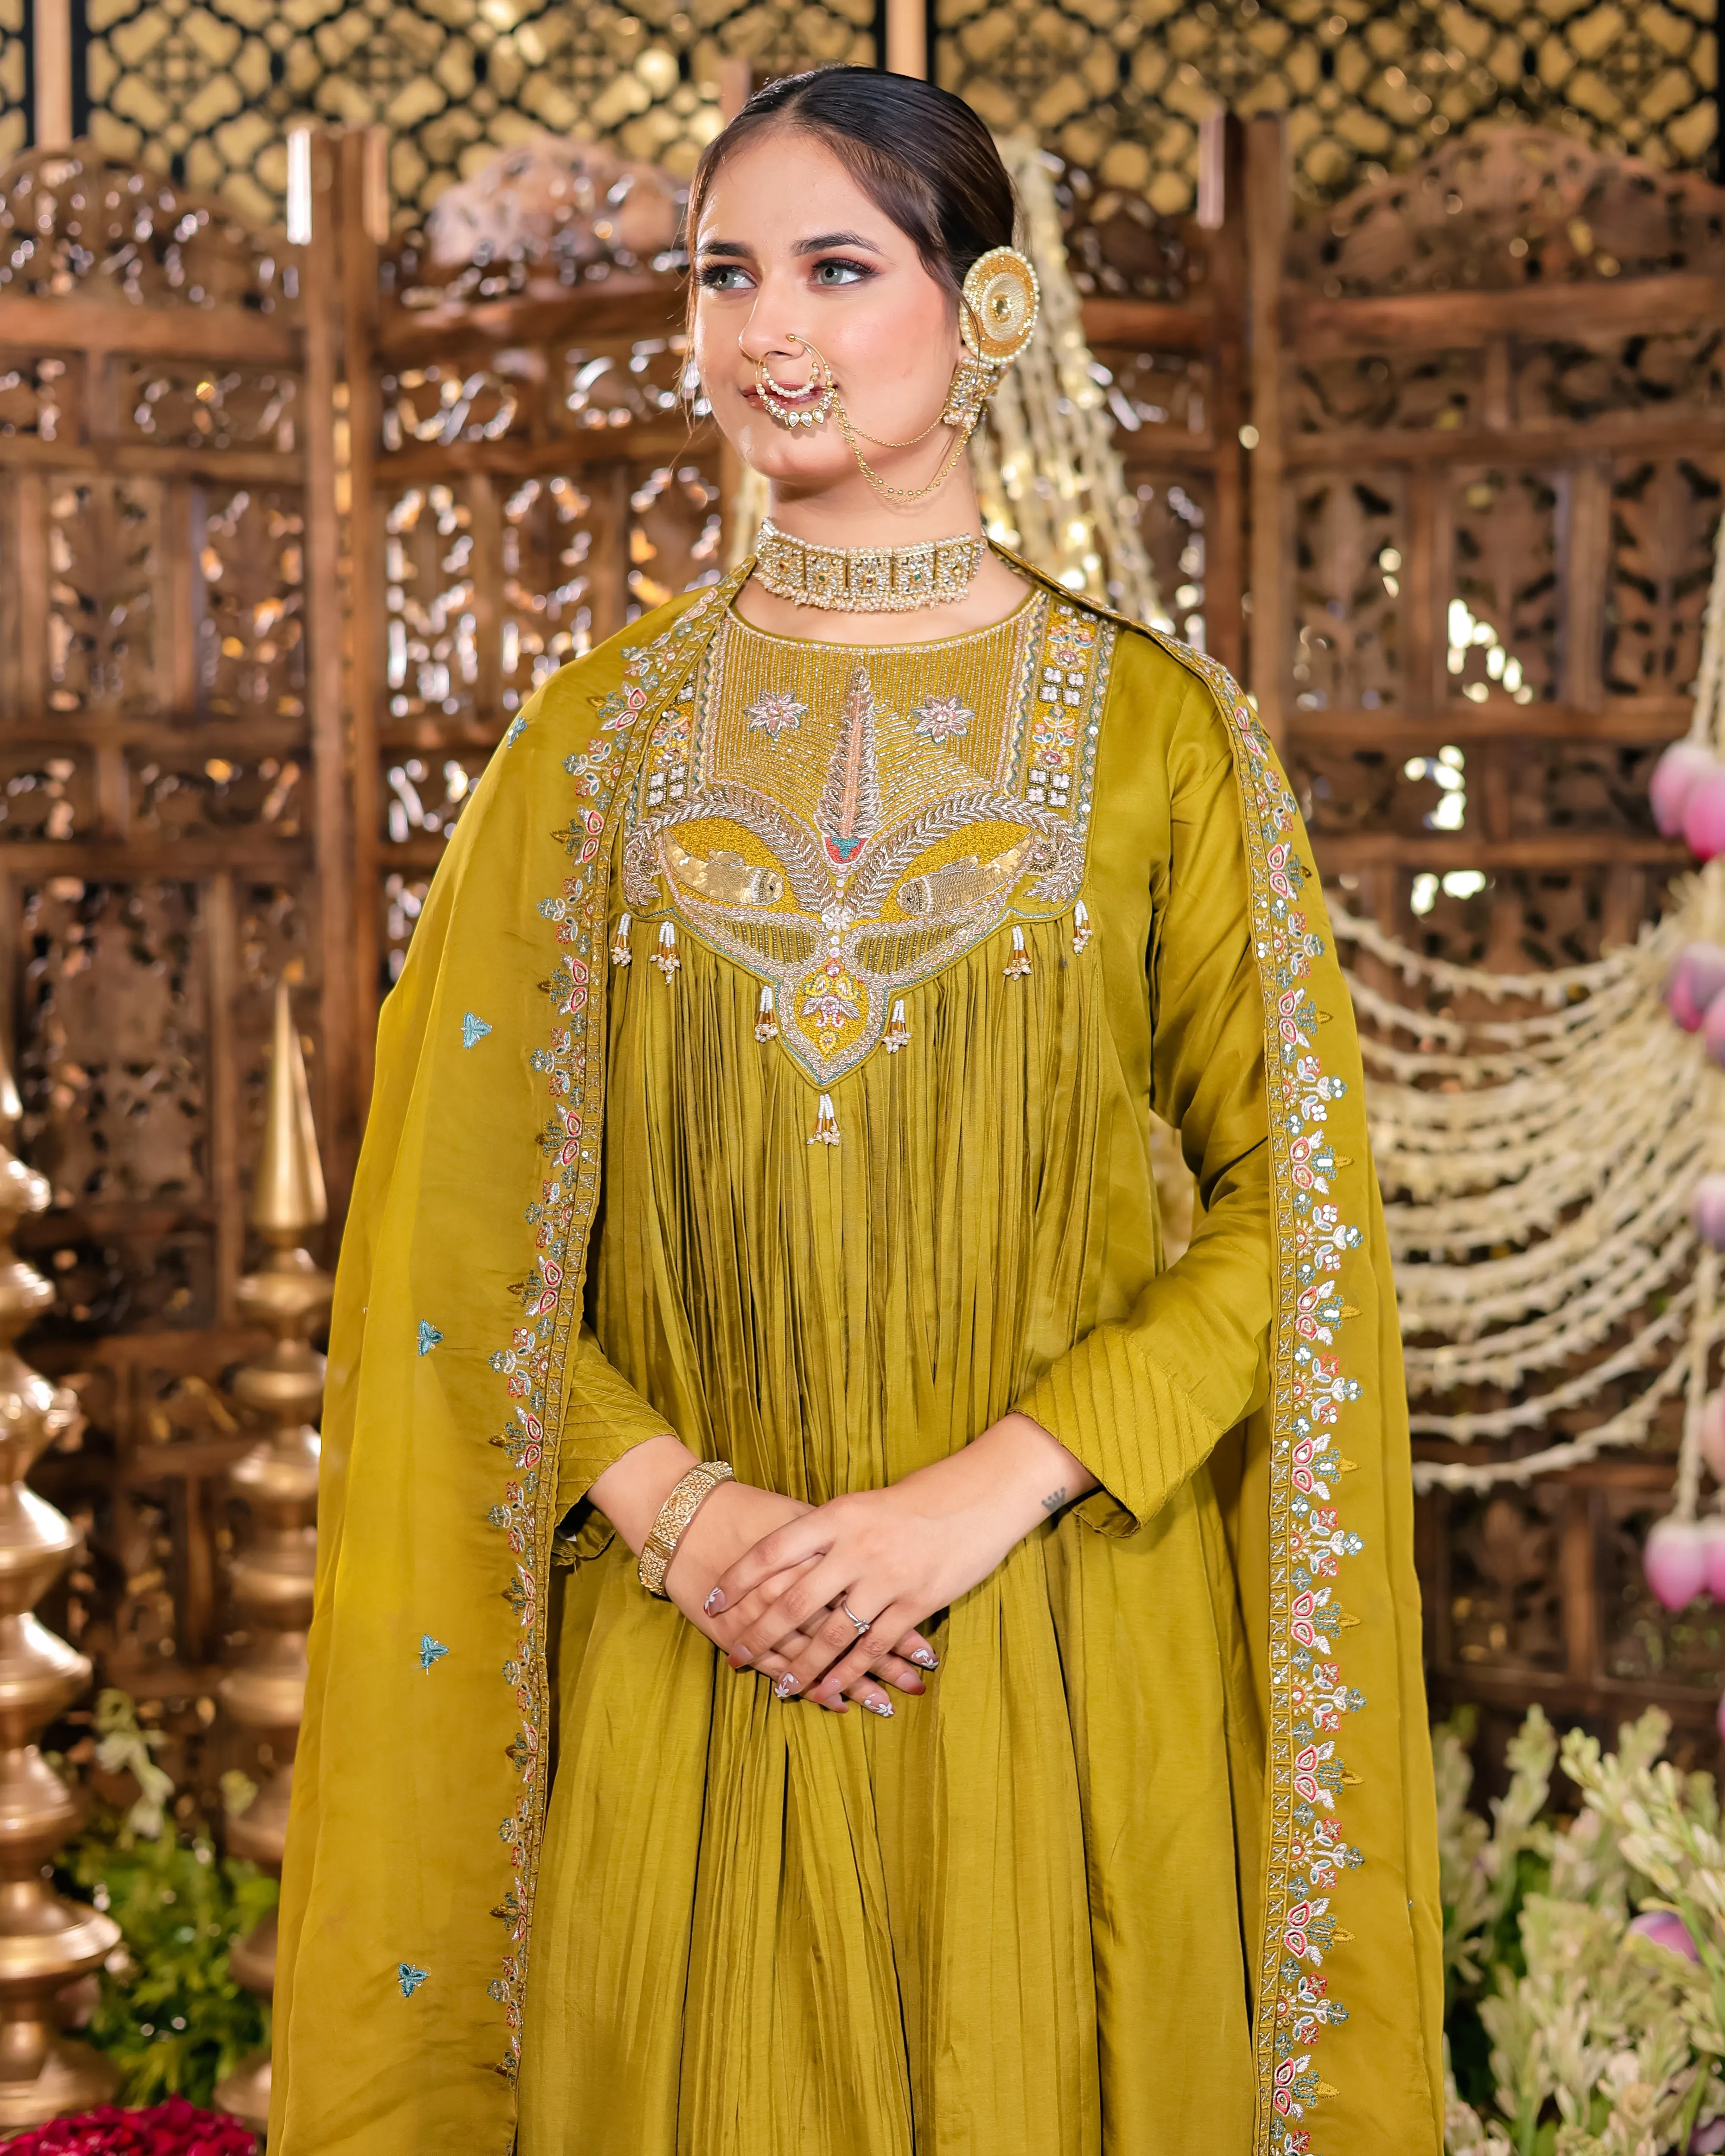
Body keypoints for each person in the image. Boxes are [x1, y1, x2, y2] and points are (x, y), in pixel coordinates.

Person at [271, 66, 1443, 2156]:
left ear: (984, 307)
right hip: (682, 1664)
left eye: (834, 267)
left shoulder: (1163, 741)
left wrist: (979, 1495)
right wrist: (682, 1513)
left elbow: (1302, 1214)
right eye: (723, 275)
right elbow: (454, 1239)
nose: (767, 331)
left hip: (1048, 1645)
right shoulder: (589, 748)